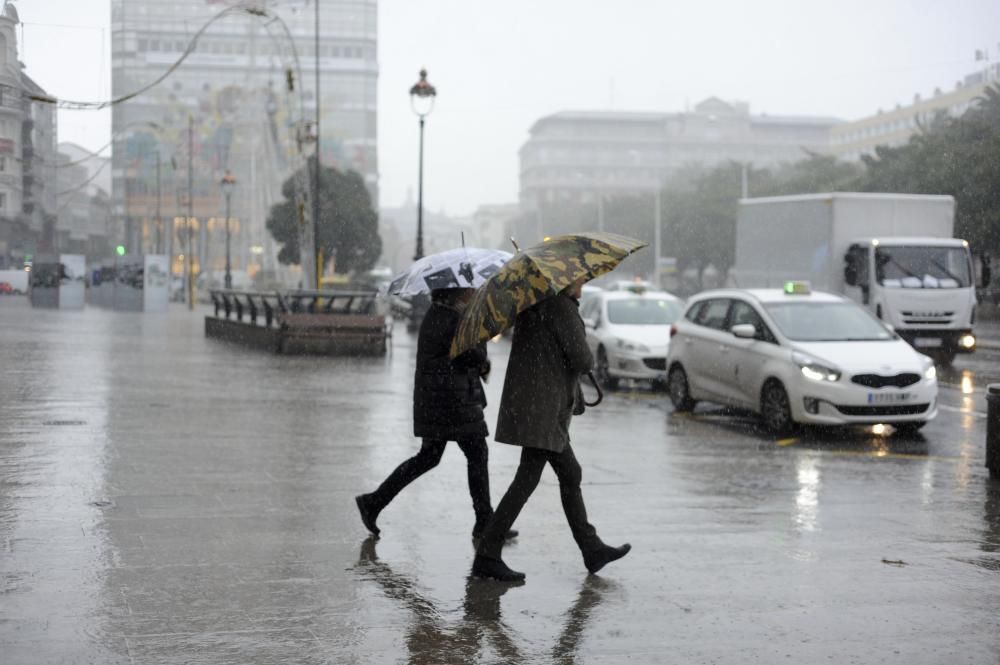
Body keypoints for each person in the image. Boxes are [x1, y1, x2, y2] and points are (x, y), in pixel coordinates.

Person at [472, 278, 631, 582]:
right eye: (580, 281)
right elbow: (582, 358)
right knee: (528, 479)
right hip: (544, 408)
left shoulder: (537, 304)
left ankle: (591, 548)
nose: (583, 285)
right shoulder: (561, 307)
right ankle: (488, 555)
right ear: (567, 281)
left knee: (570, 473)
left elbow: (549, 355)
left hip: (539, 405)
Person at [355, 287, 516, 540]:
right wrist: (481, 335)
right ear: (457, 293)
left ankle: (374, 502)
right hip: (450, 401)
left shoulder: (440, 314)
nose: (474, 292)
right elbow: (469, 355)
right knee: (474, 453)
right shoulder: (451, 319)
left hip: (442, 400)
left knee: (431, 456)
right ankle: (484, 520)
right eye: (469, 290)